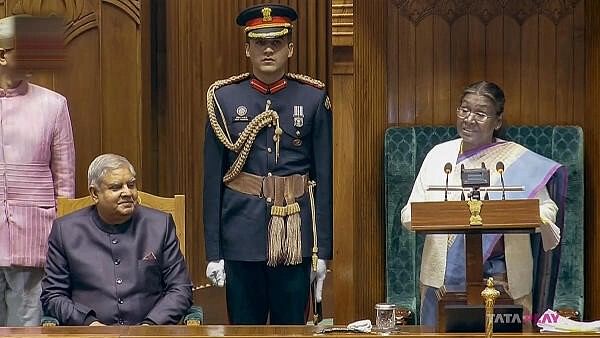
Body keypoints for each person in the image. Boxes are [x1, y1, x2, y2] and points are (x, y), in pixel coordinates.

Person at [203, 4, 332, 325]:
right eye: (260, 42)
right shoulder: (224, 99)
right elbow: (211, 180)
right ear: (247, 49)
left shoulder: (313, 99)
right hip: (241, 234)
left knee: (293, 328)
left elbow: (324, 180)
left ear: (291, 48)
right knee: (245, 329)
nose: (269, 49)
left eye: (277, 42)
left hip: (295, 232)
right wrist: (214, 253)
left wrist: (322, 251)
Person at [400, 81, 567, 327]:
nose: (469, 119)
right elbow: (408, 213)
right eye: (464, 110)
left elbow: (547, 208)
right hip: (443, 280)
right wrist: (435, 215)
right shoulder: (438, 156)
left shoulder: (515, 159)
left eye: (480, 114)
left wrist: (530, 216)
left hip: (505, 277)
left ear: (497, 121)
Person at [41, 154, 192, 326]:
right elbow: (53, 295)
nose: (127, 192)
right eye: (116, 187)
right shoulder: (65, 231)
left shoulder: (160, 225)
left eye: (131, 185)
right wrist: (89, 324)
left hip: (149, 334)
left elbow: (180, 290)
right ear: (94, 193)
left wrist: (149, 326)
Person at [0, 15, 75, 326]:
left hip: (32, 235)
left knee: (26, 327)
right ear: (2, 54)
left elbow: (65, 179)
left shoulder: (53, 104)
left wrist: (62, 236)